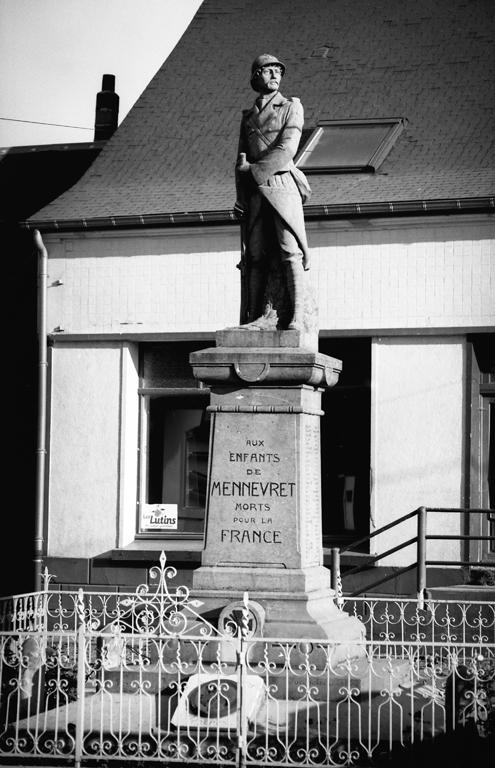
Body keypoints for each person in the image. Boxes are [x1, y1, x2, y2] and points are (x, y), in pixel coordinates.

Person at [234, 53, 312, 330]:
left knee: (290, 251)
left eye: (278, 71)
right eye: (268, 71)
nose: (275, 75)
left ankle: (297, 315)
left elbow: (287, 148)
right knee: (254, 256)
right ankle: (252, 317)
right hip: (255, 193)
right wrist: (241, 197)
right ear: (256, 77)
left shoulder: (291, 107)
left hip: (280, 183)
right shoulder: (247, 117)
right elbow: (240, 160)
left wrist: (253, 173)